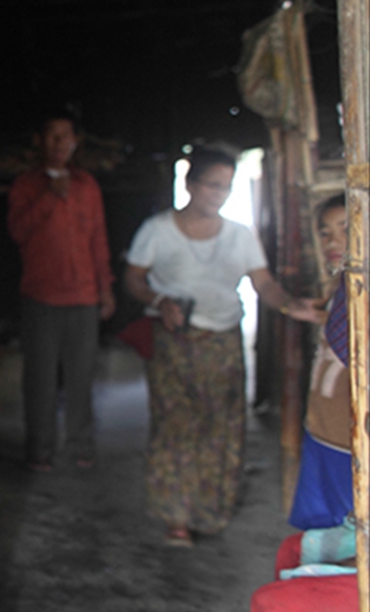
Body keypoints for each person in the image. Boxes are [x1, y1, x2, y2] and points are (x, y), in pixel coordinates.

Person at [124, 147, 322, 546]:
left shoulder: (239, 235)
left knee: (222, 428)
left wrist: (289, 304)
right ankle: (176, 517)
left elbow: (262, 284)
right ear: (190, 184)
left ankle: (210, 510)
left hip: (225, 343)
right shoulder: (157, 229)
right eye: (212, 185)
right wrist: (160, 302)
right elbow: (133, 279)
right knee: (176, 428)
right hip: (175, 343)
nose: (219, 194)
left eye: (226, 188)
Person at [7, 110, 116, 472]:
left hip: (84, 297)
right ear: (41, 142)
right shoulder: (26, 185)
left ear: (75, 143)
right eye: (52, 136)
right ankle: (40, 451)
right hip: (41, 296)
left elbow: (98, 240)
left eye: (65, 136)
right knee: (39, 380)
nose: (59, 144)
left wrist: (106, 288)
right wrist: (48, 199)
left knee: (81, 378)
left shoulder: (87, 186)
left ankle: (80, 447)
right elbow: (18, 233)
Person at [288, 194, 352, 530]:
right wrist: (322, 316)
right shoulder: (342, 287)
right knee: (329, 533)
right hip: (324, 430)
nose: (334, 241)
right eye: (325, 233)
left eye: (347, 228)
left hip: (351, 438)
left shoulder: (358, 287)